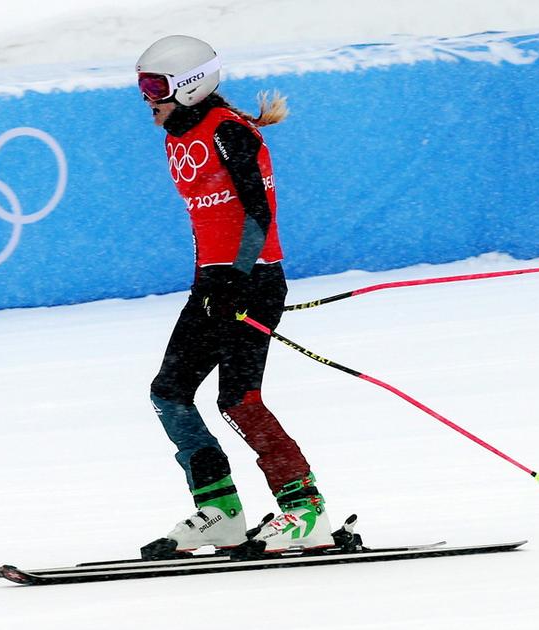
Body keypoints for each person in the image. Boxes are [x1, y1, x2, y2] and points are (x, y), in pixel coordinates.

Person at [135, 35, 334, 560]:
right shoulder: (177, 135)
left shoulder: (228, 132)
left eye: (154, 86)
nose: (146, 97)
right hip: (212, 286)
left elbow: (257, 214)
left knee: (238, 399)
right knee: (170, 394)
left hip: (253, 282)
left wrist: (235, 280)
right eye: (142, 85)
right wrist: (215, 284)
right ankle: (221, 513)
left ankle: (306, 510)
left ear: (188, 85)